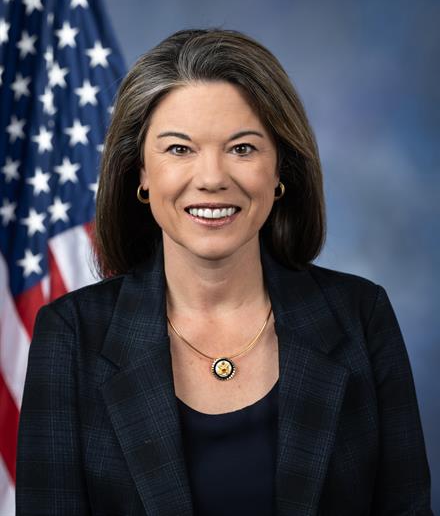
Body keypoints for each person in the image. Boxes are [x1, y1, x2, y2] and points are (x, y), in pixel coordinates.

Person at [16, 28, 433, 515]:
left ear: (280, 170)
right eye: (179, 149)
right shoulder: (71, 336)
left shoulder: (360, 316)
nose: (212, 178)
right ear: (141, 174)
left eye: (242, 148)